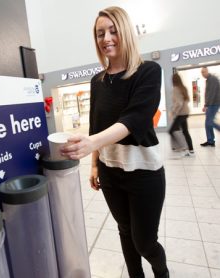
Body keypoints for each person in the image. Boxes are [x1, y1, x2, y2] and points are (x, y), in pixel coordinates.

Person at [61, 6, 169, 278]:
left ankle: (161, 270)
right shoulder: (98, 82)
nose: (106, 38)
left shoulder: (148, 71)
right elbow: (95, 124)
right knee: (124, 231)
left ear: (126, 33)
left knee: (144, 241)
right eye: (100, 33)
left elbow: (135, 119)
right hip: (110, 171)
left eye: (112, 31)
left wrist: (90, 143)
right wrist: (95, 165)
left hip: (143, 172)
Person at [168, 73, 194, 156]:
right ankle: (191, 150)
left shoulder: (176, 89)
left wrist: (173, 112)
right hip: (185, 112)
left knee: (172, 130)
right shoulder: (183, 88)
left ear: (173, 80)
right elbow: (186, 100)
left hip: (181, 113)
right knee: (185, 131)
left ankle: (182, 147)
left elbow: (179, 103)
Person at [200, 66, 220, 147]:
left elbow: (212, 93)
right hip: (211, 104)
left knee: (209, 122)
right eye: (201, 72)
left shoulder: (212, 79)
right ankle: (210, 140)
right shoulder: (208, 80)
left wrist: (207, 105)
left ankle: (211, 139)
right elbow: (207, 94)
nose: (202, 74)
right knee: (207, 123)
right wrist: (205, 104)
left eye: (203, 72)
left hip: (214, 103)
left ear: (207, 71)